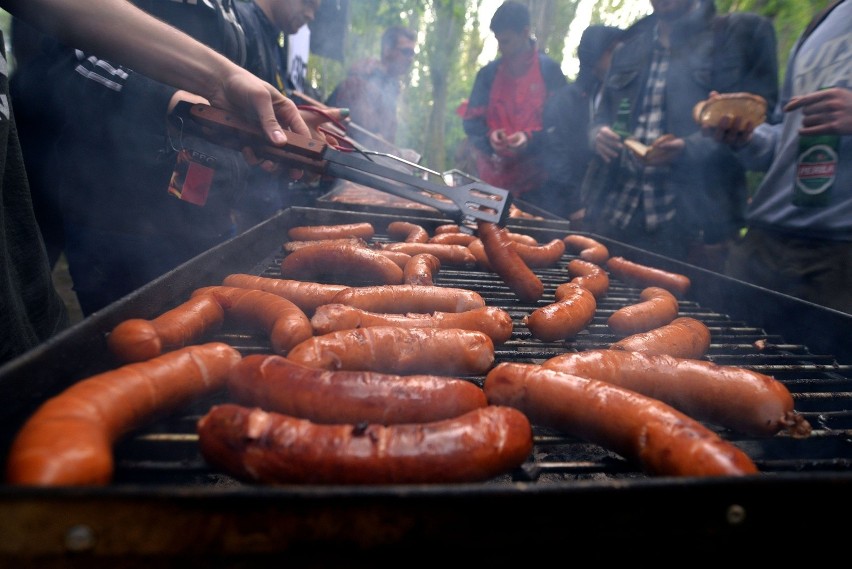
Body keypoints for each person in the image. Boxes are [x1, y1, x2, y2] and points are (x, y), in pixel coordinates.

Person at [0, 0, 309, 366]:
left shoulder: (230, 12)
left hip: (197, 216)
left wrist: (239, 103)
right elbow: (65, 60)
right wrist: (172, 99)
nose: (313, 15)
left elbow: (224, 81)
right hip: (122, 217)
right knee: (128, 354)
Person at [579, 0, 778, 271]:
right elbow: (601, 117)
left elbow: (758, 126)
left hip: (690, 232)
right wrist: (596, 134)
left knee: (685, 310)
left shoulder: (734, 37)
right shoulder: (629, 48)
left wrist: (687, 148)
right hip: (616, 219)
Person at [705, 0, 852, 313]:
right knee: (725, 350)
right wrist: (745, 137)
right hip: (764, 241)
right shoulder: (821, 24)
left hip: (839, 254)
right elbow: (784, 138)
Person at [462, 1, 567, 204]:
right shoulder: (488, 74)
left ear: (525, 33)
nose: (501, 48)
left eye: (506, 41)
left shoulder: (550, 71)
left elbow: (561, 128)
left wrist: (528, 139)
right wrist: (490, 137)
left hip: (537, 186)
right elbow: (471, 122)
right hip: (490, 181)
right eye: (498, 41)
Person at [540, 24, 624, 223]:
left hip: (607, 210)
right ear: (595, 55)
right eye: (612, 50)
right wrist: (573, 204)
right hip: (569, 209)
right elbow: (556, 156)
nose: (621, 56)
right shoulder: (564, 101)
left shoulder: (617, 96)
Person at [325, 25, 416, 148]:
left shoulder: (392, 89)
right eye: (406, 52)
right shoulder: (360, 80)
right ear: (387, 49)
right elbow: (357, 133)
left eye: (412, 54)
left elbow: (385, 139)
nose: (410, 59)